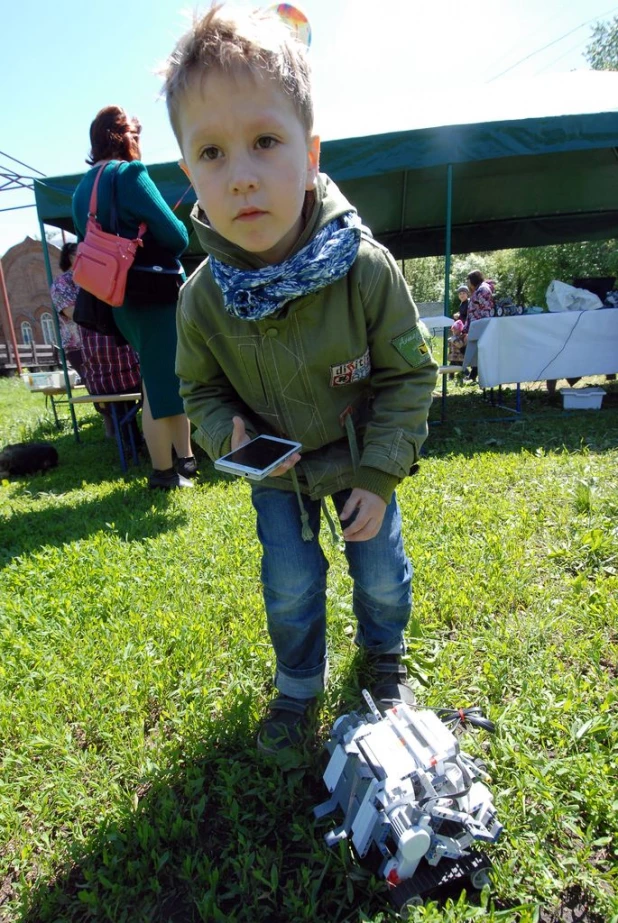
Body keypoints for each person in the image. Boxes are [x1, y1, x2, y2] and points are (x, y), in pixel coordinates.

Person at [162, 6, 438, 754]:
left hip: (360, 461)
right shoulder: (202, 299)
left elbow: (412, 375)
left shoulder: (363, 266)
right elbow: (200, 393)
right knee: (288, 583)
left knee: (380, 572)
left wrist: (380, 475)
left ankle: (384, 657)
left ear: (310, 153)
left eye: (264, 141)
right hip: (277, 473)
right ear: (188, 173)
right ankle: (297, 685)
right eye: (212, 153)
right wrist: (231, 435)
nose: (242, 175)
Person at [72, 105, 197, 490]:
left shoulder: (81, 190)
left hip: (118, 297)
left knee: (157, 378)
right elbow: (177, 238)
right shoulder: (130, 175)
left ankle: (186, 462)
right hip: (152, 293)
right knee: (163, 381)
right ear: (127, 138)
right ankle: (164, 474)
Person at [79, 327, 142, 440]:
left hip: (97, 385)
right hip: (127, 382)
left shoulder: (84, 317)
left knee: (123, 407)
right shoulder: (119, 315)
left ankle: (130, 441)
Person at [50, 243, 85, 379]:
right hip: (79, 346)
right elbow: (72, 312)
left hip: (103, 343)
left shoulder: (93, 278)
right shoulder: (62, 283)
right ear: (71, 257)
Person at [462, 270, 495, 383]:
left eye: (468, 280)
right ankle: (474, 376)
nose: (467, 283)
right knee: (474, 354)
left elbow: (486, 311)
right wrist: (465, 330)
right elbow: (471, 312)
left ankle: (481, 379)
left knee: (480, 355)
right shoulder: (478, 290)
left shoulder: (483, 290)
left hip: (480, 329)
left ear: (473, 279)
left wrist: (476, 330)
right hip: (475, 328)